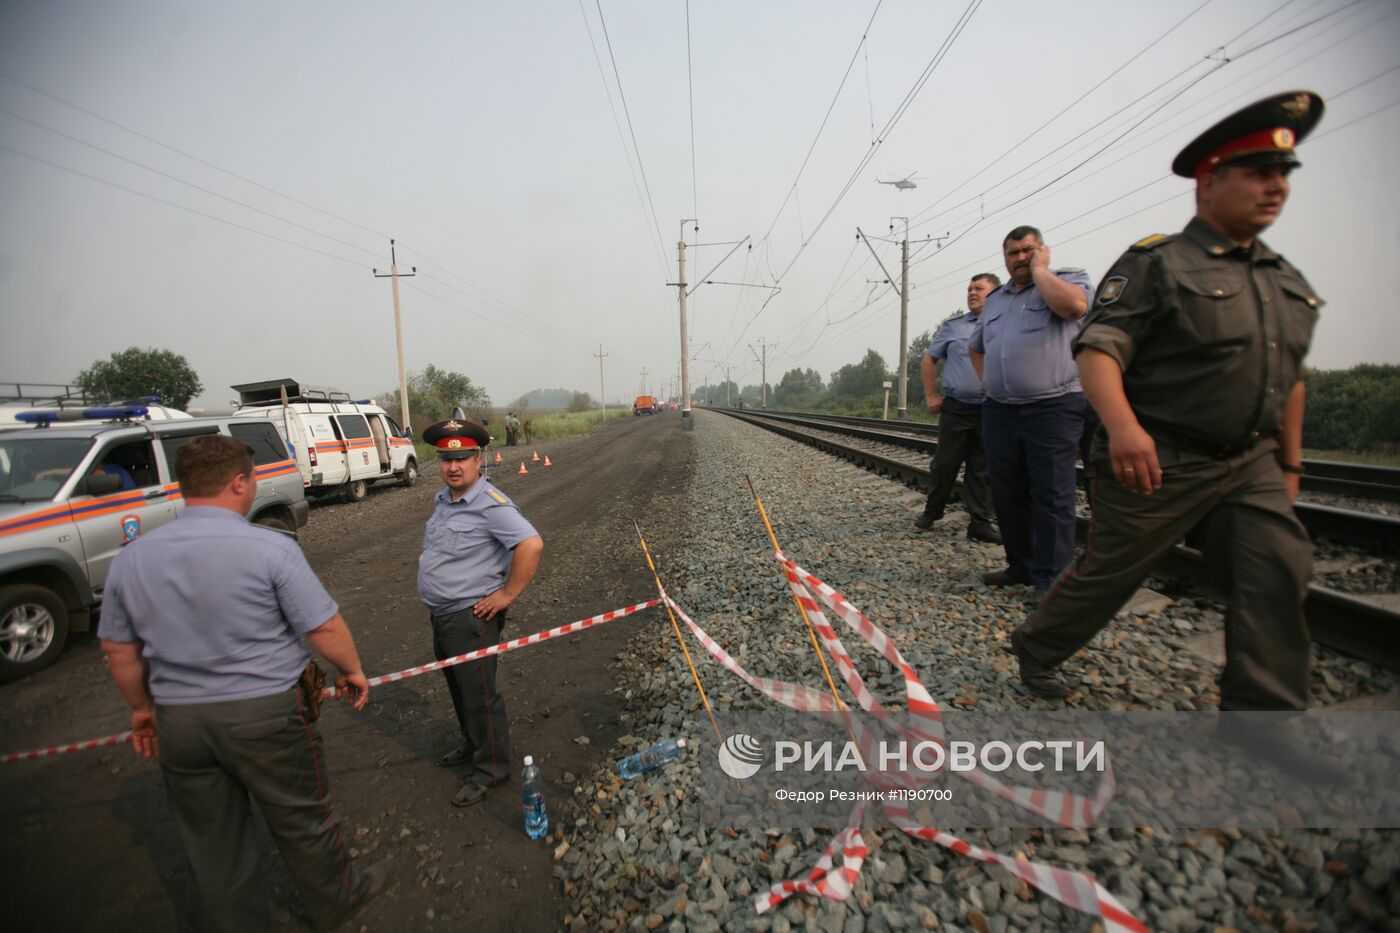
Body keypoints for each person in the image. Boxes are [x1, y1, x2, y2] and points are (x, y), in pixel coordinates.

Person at [1011, 92, 1326, 719]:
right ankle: (1037, 645)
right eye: (1258, 174)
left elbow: (1290, 379)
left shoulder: (1286, 280)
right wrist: (1124, 431)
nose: (1276, 188)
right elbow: (1098, 350)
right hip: (1158, 457)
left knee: (1278, 568)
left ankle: (1263, 724)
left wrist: (1289, 465)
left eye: (1283, 176)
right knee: (1110, 576)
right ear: (1209, 183)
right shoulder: (1159, 262)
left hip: (1250, 463)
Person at [97, 434, 382, 931]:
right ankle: (338, 900)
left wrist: (142, 709)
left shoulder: (131, 558)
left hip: (180, 721)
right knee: (301, 819)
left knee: (210, 842)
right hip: (267, 714)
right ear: (237, 483)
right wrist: (352, 671)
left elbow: (119, 651)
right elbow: (325, 628)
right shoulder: (270, 547)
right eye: (252, 480)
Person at [419, 417, 544, 806]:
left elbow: (531, 544)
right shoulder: (444, 501)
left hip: (471, 619)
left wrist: (507, 595)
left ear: (478, 460)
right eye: (445, 459)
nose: (452, 466)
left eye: (462, 458)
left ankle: (492, 768)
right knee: (460, 689)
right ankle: (473, 744)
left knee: (480, 695)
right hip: (444, 616)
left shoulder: (491, 505)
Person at [969, 226, 1092, 594]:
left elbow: (1075, 308)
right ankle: (1020, 565)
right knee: (1008, 492)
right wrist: (986, 383)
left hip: (1053, 407)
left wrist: (1041, 271)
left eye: (1027, 250)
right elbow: (976, 346)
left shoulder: (1067, 281)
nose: (1020, 258)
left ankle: (1051, 580)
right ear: (1003, 258)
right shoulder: (997, 300)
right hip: (1001, 410)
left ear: (1042, 250)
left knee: (1052, 494)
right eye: (1013, 253)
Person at [916, 273, 1002, 544]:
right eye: (969, 289)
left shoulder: (1007, 322)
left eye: (979, 288)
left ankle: (979, 523)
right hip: (957, 408)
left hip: (992, 408)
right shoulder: (953, 326)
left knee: (982, 468)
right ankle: (932, 511)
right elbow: (929, 359)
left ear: (996, 293)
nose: (972, 292)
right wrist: (931, 395)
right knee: (945, 464)